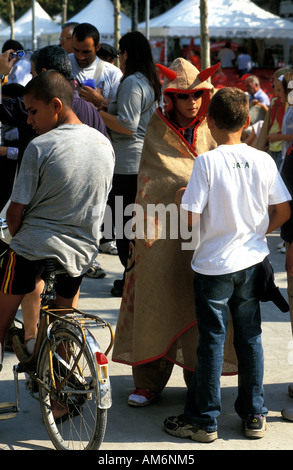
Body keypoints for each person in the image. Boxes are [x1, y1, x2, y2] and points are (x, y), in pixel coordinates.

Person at [163, 87, 291, 443]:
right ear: (247, 121)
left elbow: (188, 220)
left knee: (212, 341)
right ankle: (254, 415)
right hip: (252, 261)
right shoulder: (264, 160)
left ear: (209, 123)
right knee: (251, 338)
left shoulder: (207, 162)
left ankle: (204, 421)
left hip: (213, 266)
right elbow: (283, 210)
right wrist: (256, 232)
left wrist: (178, 197)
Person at [112, 58, 238, 406]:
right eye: (183, 96)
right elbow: (150, 182)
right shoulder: (156, 126)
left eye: (197, 95)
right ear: (170, 98)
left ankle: (199, 379)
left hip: (203, 233)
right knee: (155, 301)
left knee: (200, 306)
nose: (192, 102)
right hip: (159, 233)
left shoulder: (213, 129)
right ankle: (148, 382)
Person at [0, 70, 114, 380]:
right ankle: (63, 392)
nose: (28, 121)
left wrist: (13, 234)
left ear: (55, 105)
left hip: (34, 248)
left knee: (2, 313)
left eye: (33, 111)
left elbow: (15, 214)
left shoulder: (39, 147)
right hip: (81, 253)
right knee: (64, 319)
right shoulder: (105, 145)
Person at [98, 31, 162, 297]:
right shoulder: (146, 81)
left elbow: (126, 125)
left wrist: (97, 113)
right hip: (138, 163)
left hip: (128, 166)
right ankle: (131, 278)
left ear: (127, 54)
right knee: (129, 227)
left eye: (120, 53)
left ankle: (132, 281)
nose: (118, 59)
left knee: (124, 229)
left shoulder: (133, 83)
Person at [69, 23, 122, 109]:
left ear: (98, 47)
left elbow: (119, 113)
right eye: (76, 50)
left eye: (86, 52)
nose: (80, 57)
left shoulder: (113, 73)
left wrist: (100, 100)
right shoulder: (62, 64)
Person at [256, 67, 292, 170]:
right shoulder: (277, 102)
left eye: (279, 86)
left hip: (282, 147)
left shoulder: (287, 105)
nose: (275, 88)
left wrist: (278, 137)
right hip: (275, 145)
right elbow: (269, 123)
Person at [267, 72, 293, 169]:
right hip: (286, 155)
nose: (277, 93)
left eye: (279, 90)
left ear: (287, 91)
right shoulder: (290, 107)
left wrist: (279, 137)